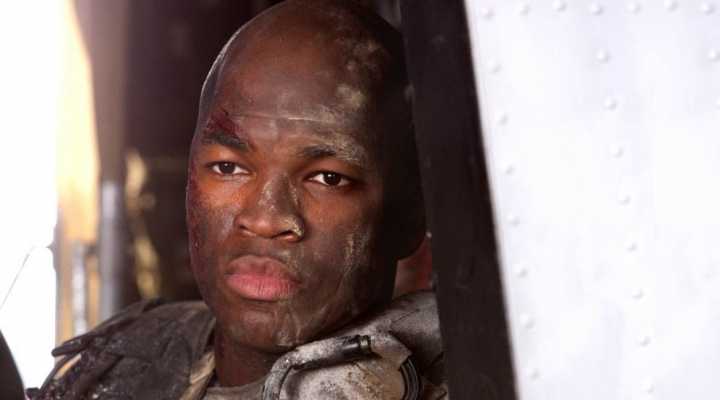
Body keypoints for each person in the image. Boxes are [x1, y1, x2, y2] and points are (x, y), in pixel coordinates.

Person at [30, 1, 445, 398]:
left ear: (411, 215)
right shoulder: (123, 366)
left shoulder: (467, 376)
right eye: (228, 168)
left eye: (327, 178)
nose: (265, 218)